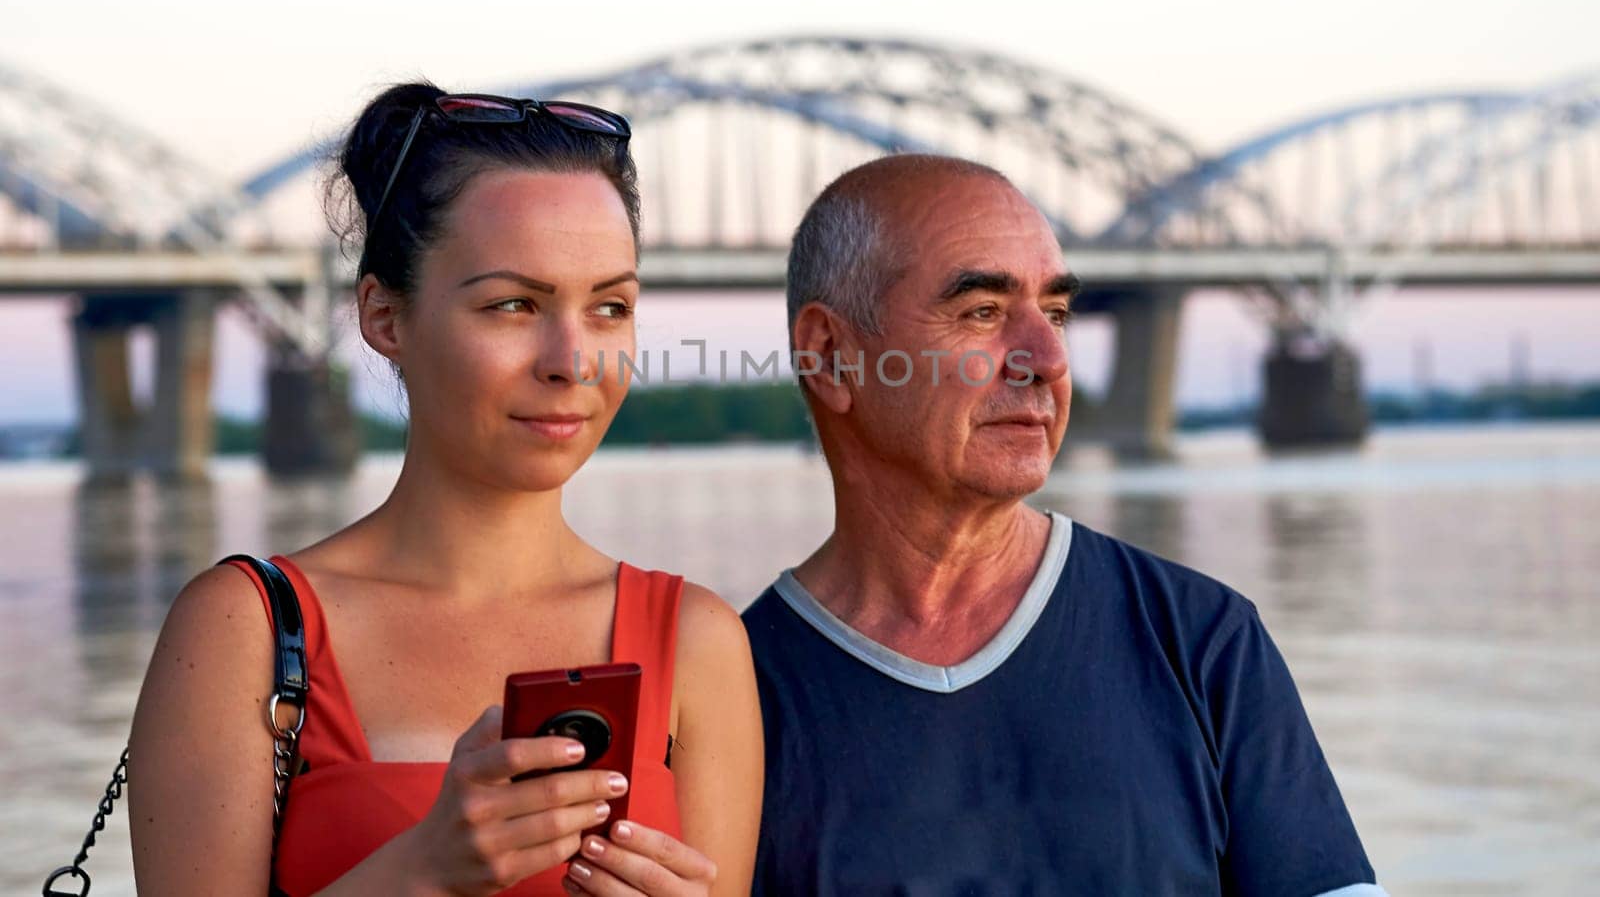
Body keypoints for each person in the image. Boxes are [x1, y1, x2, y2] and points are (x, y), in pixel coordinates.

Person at [128, 84, 763, 896]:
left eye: (610, 307)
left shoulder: (700, 643)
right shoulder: (244, 629)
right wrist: (422, 870)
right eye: (513, 304)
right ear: (385, 315)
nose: (571, 360)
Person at [742, 154, 1387, 895]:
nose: (1048, 358)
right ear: (831, 356)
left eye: (1054, 313)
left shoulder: (1203, 643)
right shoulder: (726, 701)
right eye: (982, 311)